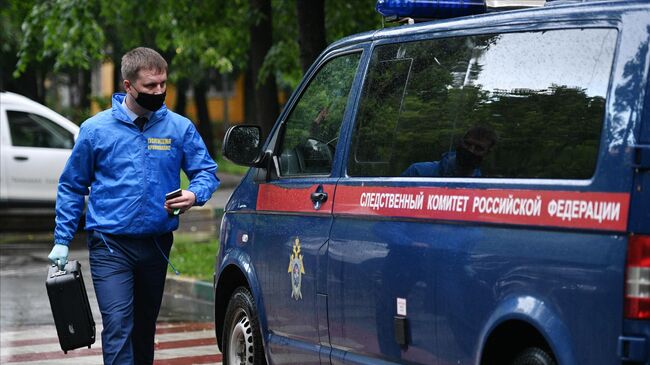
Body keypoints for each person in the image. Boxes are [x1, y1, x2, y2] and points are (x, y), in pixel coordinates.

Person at [47, 47, 219, 364]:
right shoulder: (95, 130)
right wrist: (62, 239)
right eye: (150, 86)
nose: (159, 92)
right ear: (128, 86)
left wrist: (195, 194)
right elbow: (72, 185)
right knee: (118, 327)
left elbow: (206, 171)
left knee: (143, 330)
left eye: (163, 84)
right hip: (110, 246)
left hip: (156, 245)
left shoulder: (179, 128)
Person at [401, 125, 497, 177]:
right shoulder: (418, 172)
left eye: (478, 148)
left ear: (487, 153)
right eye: (468, 144)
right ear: (460, 143)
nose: (471, 150)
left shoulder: (483, 189)